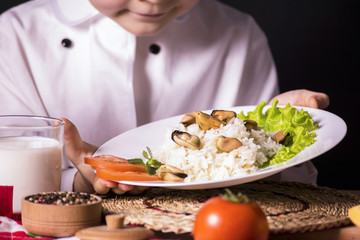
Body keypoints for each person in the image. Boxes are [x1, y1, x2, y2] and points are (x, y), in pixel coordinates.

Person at [0, 0, 329, 195]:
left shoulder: (239, 36)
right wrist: (82, 182)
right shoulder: (15, 37)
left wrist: (272, 142)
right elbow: (12, 187)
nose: (153, 1)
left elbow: (280, 190)